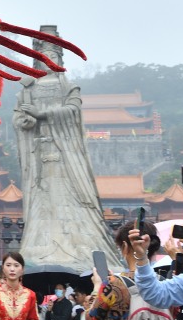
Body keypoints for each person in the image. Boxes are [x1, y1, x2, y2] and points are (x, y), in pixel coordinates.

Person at [12, 27, 123, 273]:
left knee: (72, 196)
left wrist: (42, 114)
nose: (49, 61)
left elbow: (73, 111)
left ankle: (79, 246)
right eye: (44, 57)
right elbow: (18, 118)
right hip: (39, 155)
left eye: (53, 56)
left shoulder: (68, 87)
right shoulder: (28, 89)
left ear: (60, 59)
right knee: (42, 200)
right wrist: (26, 121)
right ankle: (40, 248)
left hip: (66, 153)